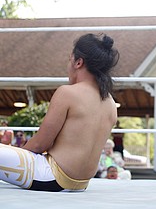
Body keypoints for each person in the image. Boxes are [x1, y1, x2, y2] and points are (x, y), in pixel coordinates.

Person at [0, 33, 119, 191]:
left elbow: (40, 144)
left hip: (52, 177)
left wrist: (16, 156)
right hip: (81, 183)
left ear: (78, 62)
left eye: (69, 60)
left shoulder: (68, 93)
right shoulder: (110, 103)